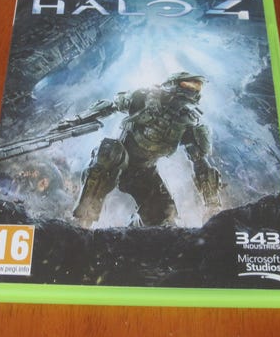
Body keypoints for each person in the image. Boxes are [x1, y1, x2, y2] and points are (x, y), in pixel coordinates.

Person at [73, 72, 222, 227]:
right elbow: (111, 106)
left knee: (164, 217)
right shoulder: (143, 97)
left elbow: (201, 164)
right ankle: (82, 221)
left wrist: (212, 205)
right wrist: (77, 120)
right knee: (110, 151)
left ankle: (134, 229)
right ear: (172, 84)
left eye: (197, 87)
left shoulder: (187, 122)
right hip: (119, 160)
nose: (193, 89)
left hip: (143, 172)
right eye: (188, 84)